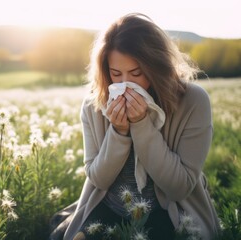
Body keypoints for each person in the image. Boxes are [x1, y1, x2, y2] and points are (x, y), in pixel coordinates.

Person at [54, 13, 221, 240]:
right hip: (109, 207)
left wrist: (142, 124)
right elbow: (98, 179)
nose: (124, 84)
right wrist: (119, 132)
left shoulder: (193, 101)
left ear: (157, 67)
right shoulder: (94, 103)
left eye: (136, 73)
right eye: (115, 74)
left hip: (168, 212)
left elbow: (179, 187)